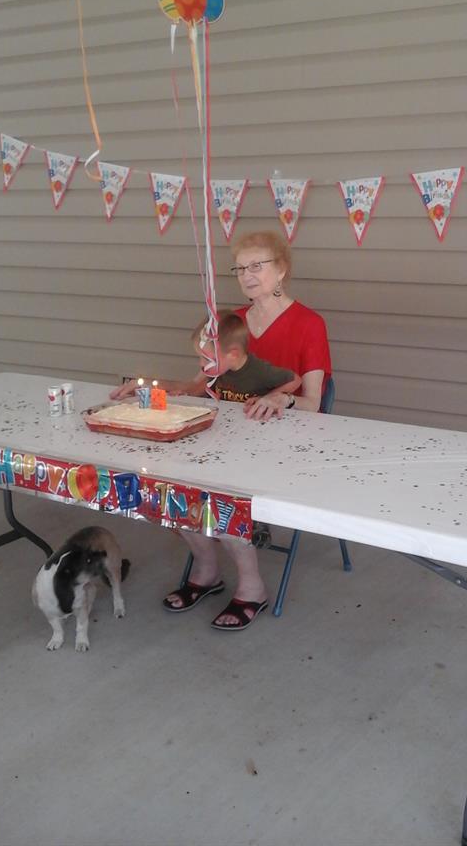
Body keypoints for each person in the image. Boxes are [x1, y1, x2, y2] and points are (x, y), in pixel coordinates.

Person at [110, 230, 331, 630]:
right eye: (241, 268)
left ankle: (252, 588)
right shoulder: (233, 322)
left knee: (219, 495)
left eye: (257, 265)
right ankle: (207, 571)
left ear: (282, 270)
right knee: (165, 485)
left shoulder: (309, 323)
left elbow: (314, 402)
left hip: (284, 438)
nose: (247, 275)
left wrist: (282, 399)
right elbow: (198, 386)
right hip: (229, 433)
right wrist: (145, 385)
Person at [192, 309, 301, 404]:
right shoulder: (218, 371)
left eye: (207, 359)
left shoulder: (260, 370)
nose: (201, 364)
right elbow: (203, 388)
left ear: (233, 354)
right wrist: (187, 391)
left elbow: (295, 380)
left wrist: (268, 398)